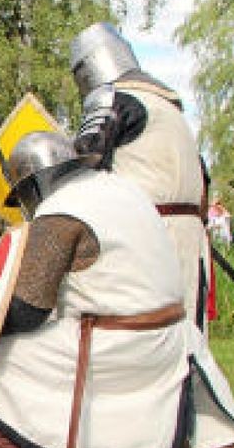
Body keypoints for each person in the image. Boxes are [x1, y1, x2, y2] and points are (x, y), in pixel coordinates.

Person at [0, 131, 234, 448]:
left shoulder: (61, 212)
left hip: (120, 349)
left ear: (35, 182)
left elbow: (28, 309)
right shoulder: (124, 189)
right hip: (172, 342)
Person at [70, 22, 214, 331]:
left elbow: (81, 171)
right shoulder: (171, 110)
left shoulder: (112, 100)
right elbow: (203, 182)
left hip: (145, 240)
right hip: (190, 241)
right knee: (187, 339)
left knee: (139, 339)